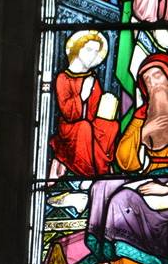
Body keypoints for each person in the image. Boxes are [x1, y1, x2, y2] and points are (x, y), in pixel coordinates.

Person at [82, 53, 168, 264]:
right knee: (102, 186)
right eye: (147, 80)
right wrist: (144, 132)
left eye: (157, 76)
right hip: (148, 174)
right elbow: (125, 160)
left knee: (124, 199)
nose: (153, 84)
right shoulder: (144, 114)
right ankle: (110, 255)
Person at [48, 31, 119, 181]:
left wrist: (106, 108)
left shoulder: (92, 79)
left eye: (96, 52)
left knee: (111, 126)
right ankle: (88, 174)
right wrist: (82, 96)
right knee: (84, 127)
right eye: (89, 50)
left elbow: (93, 111)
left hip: (90, 123)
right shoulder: (63, 78)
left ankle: (102, 171)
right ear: (77, 49)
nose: (92, 55)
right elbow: (68, 113)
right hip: (70, 127)